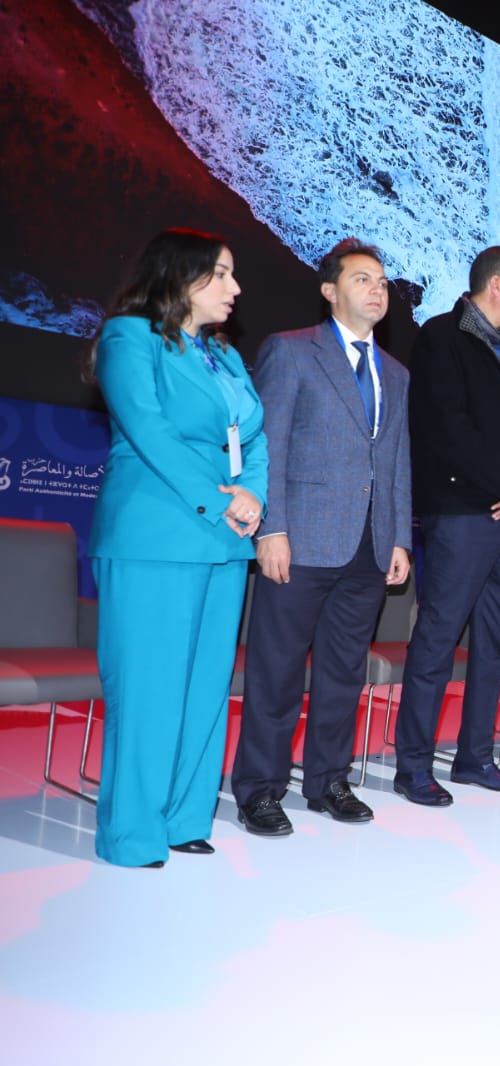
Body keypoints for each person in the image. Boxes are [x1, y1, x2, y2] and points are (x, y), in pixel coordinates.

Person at [86, 228, 265, 867]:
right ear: (179, 276)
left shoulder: (226, 357)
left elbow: (255, 437)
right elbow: (150, 432)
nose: (235, 287)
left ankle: (186, 817)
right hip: (155, 534)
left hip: (224, 542)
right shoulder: (128, 338)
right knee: (148, 688)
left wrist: (252, 495)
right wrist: (222, 499)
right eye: (221, 273)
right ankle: (131, 835)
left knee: (206, 687)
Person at [232, 239, 412, 836]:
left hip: (368, 545)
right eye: (362, 279)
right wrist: (272, 529)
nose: (377, 289)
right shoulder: (291, 351)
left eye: (381, 281)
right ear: (330, 290)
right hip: (301, 540)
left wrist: (399, 538)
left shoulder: (396, 374)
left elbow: (396, 462)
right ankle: (260, 789)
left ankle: (329, 780)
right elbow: (268, 446)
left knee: (343, 674)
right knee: (277, 672)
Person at [392, 246, 500, 806]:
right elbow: (447, 429)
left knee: (493, 643)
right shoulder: (442, 337)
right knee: (438, 637)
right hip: (464, 512)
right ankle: (413, 766)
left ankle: (475, 757)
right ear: (496, 285)